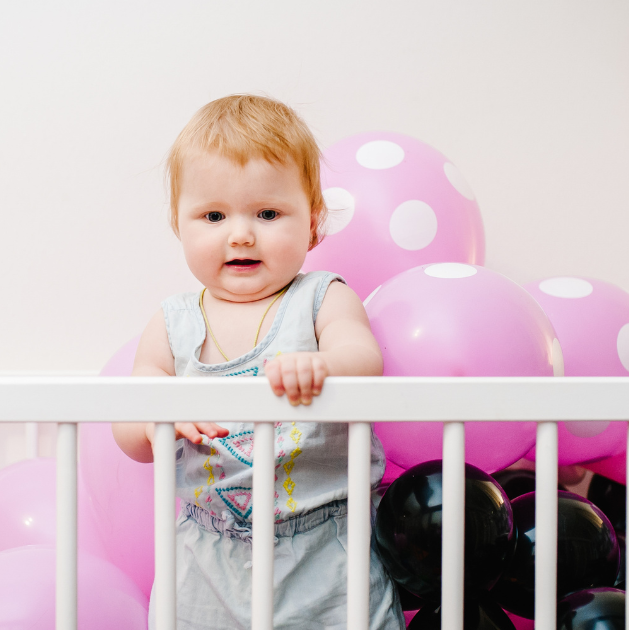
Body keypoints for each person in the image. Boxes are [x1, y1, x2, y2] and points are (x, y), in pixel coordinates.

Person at [112, 94, 403, 629]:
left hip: (323, 548)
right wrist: (160, 418)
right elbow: (129, 428)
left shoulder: (321, 297)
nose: (240, 233)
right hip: (205, 552)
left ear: (313, 223)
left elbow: (363, 356)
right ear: (180, 224)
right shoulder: (173, 322)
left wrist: (325, 366)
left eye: (268, 213)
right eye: (214, 215)